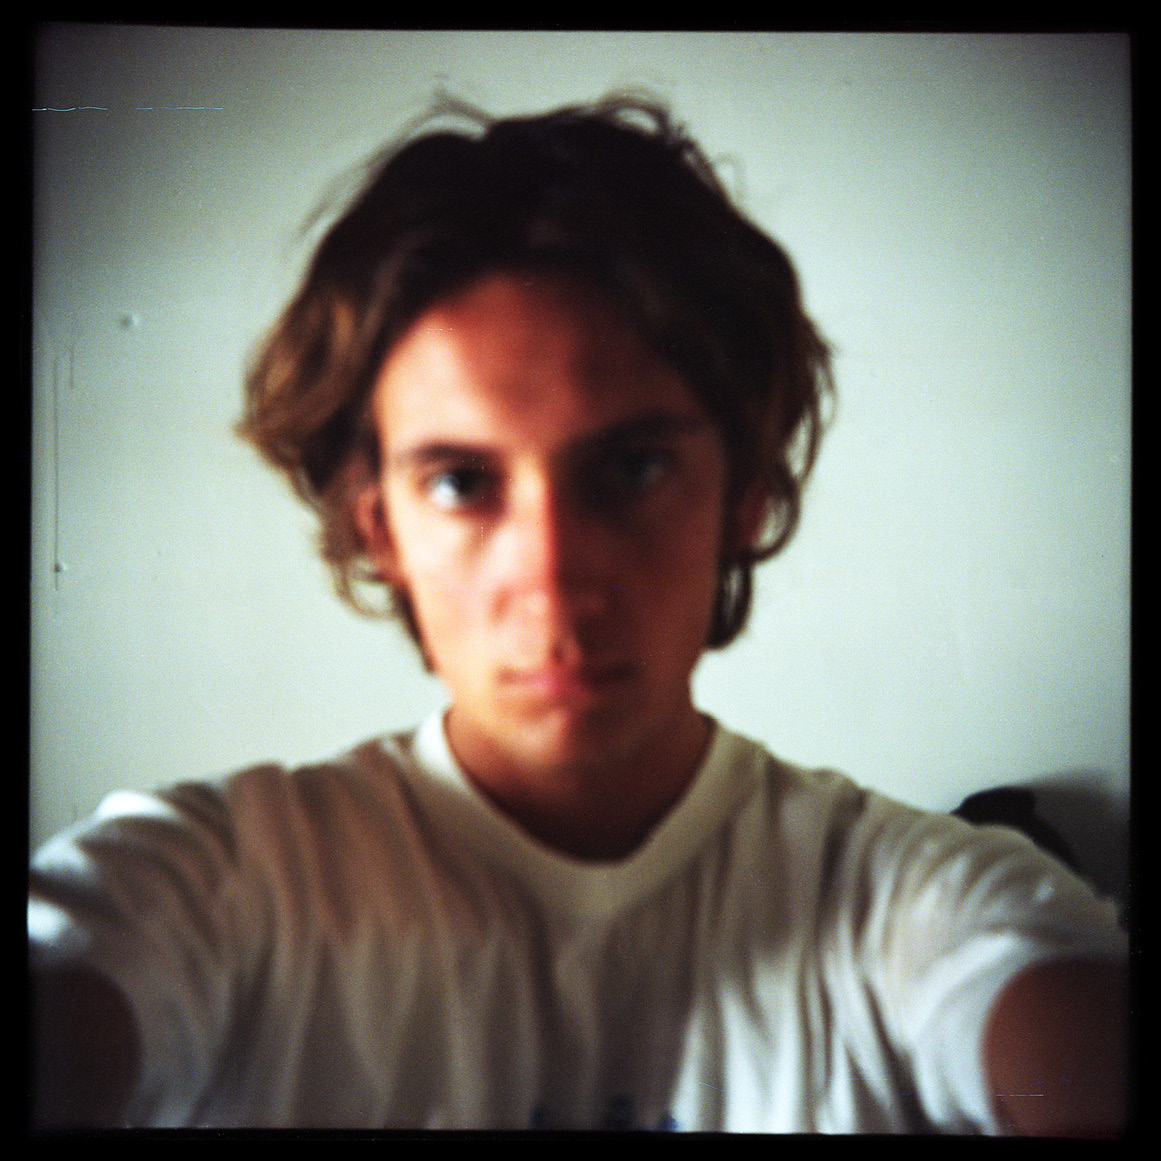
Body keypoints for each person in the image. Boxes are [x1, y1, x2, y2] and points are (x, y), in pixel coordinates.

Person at [29, 95, 1128, 1134]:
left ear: (744, 496)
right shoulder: (212, 890)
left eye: (633, 467)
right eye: (462, 482)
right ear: (380, 529)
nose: (553, 575)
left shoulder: (919, 905)